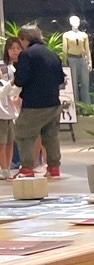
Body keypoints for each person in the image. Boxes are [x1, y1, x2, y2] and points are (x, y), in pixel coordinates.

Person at [12, 25, 65, 180]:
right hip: (53, 102)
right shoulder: (52, 54)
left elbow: (20, 79)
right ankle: (54, 168)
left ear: (24, 39)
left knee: (24, 134)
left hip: (34, 104)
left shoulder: (27, 54)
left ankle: (27, 168)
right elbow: (61, 79)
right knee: (50, 135)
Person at [0, 41, 20, 181]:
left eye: (18, 48)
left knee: (9, 143)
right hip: (1, 114)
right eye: (12, 48)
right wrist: (11, 83)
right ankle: (4, 169)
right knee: (2, 143)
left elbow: (12, 92)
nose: (15, 51)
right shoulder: (4, 67)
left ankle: (7, 168)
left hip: (11, 114)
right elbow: (3, 92)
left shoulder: (15, 69)